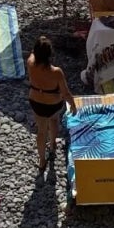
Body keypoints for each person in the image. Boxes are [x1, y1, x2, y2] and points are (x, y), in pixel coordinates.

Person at [27, 36, 76, 175]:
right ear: (50, 54)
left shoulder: (30, 63)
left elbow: (33, 54)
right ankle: (53, 145)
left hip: (36, 102)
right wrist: (73, 105)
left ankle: (42, 160)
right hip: (53, 103)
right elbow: (65, 93)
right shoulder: (56, 72)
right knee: (54, 120)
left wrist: (38, 44)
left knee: (41, 131)